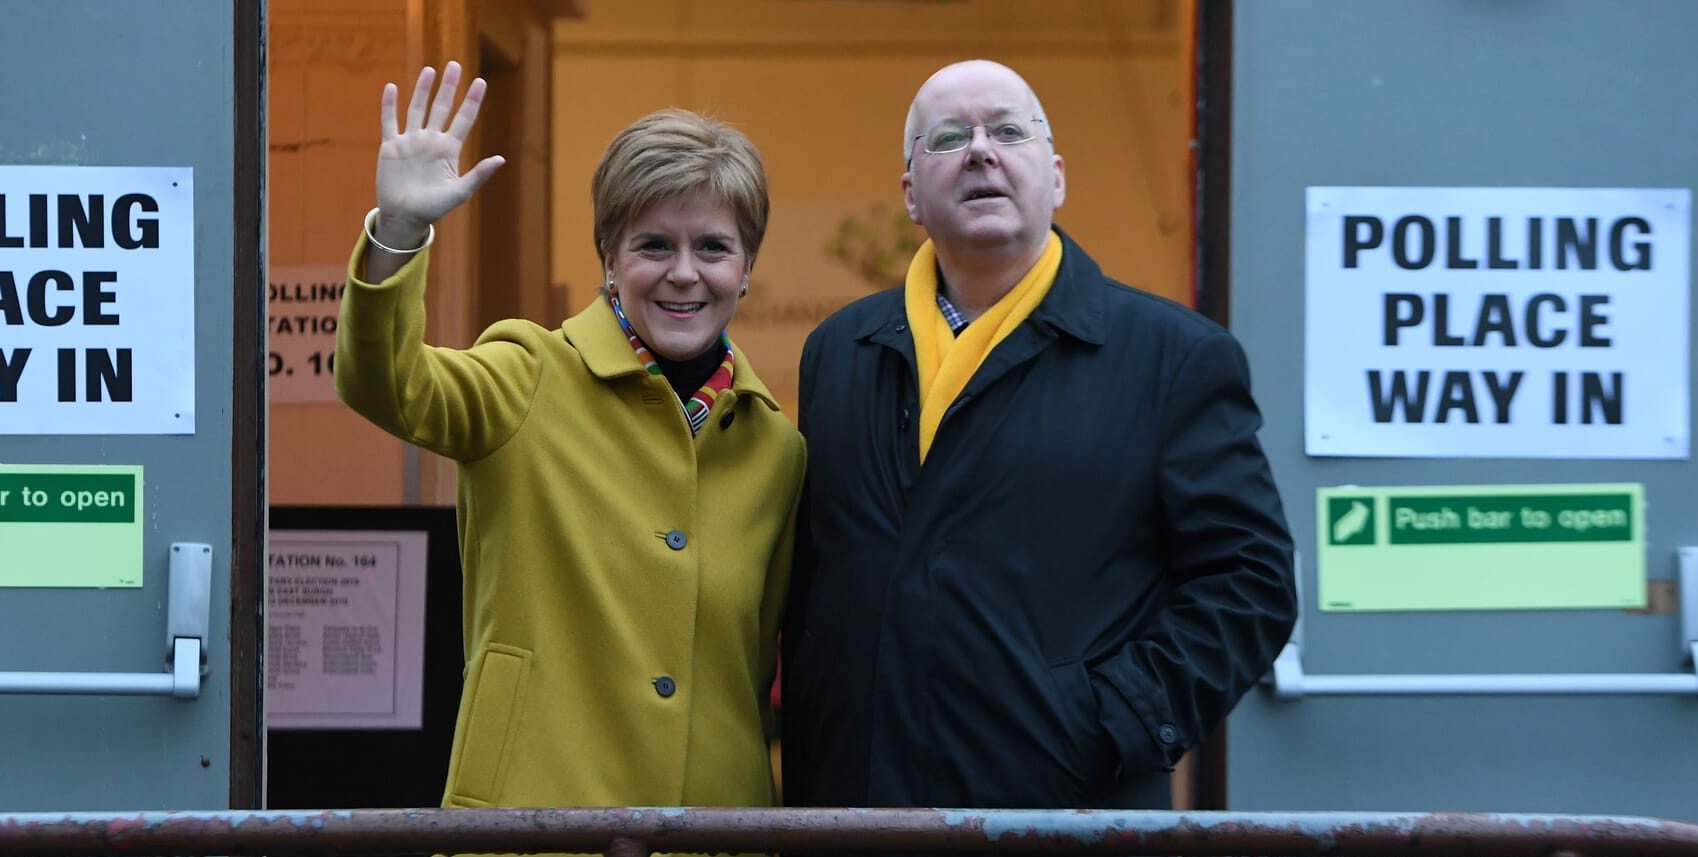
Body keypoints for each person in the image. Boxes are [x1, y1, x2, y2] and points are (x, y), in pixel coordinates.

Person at [780, 59, 1296, 812]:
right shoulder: (840, 351)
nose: (981, 150)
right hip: (854, 807)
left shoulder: (1172, 357)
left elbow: (1252, 582)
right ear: (911, 195)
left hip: (1067, 811)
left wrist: (1113, 722)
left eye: (1008, 131)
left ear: (1055, 177)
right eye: (949, 136)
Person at [335, 62, 804, 810]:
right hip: (535, 818)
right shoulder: (529, 373)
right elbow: (387, 385)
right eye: (654, 245)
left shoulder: (776, 447)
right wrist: (399, 230)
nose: (685, 274)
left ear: (747, 269)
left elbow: (751, 667)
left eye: (713, 248)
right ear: (610, 261)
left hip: (714, 824)